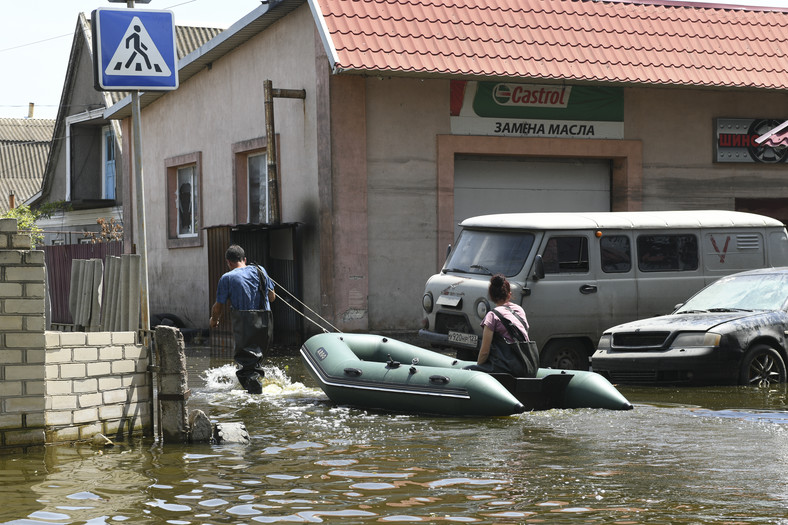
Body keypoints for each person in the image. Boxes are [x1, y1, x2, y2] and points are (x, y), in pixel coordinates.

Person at [210, 245, 276, 394]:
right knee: (256, 360)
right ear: (244, 259)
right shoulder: (261, 270)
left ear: (228, 262)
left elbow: (218, 306)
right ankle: (257, 388)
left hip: (245, 324)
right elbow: (272, 297)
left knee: (247, 365)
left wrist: (214, 320)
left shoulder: (227, 278)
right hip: (266, 323)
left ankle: (254, 400)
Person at [465, 274, 539, 377]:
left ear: (491, 296)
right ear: (509, 295)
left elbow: (484, 352)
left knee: (466, 371)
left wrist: (478, 370)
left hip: (506, 367)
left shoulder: (492, 316)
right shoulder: (519, 310)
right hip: (527, 365)